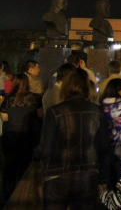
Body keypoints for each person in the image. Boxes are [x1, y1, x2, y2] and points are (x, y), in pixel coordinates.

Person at [38, 68, 111, 209]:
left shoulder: (55, 111)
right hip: (88, 175)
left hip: (58, 174)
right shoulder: (97, 111)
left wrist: (41, 159)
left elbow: (46, 149)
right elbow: (103, 147)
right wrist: (102, 177)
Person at [0, 74, 43, 200]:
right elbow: (41, 115)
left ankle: (8, 198)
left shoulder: (8, 99)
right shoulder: (35, 98)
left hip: (11, 137)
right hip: (29, 136)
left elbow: (4, 118)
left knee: (10, 169)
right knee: (26, 168)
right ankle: (25, 197)